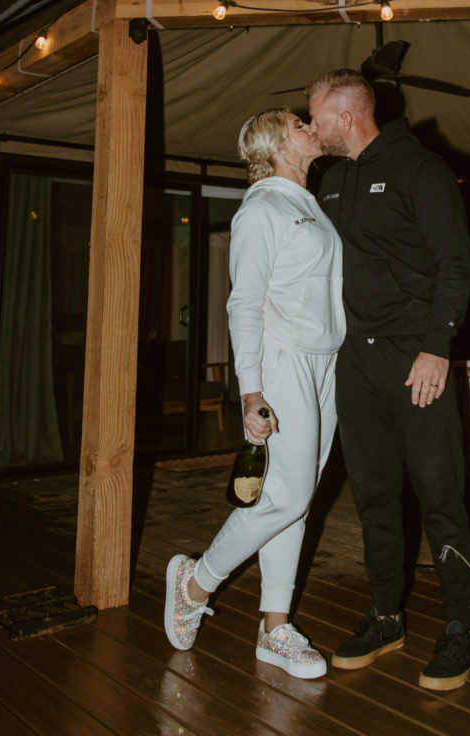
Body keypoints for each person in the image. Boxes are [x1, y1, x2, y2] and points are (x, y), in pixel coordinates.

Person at [306, 68, 470, 691]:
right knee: (375, 497)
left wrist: (438, 348)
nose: (311, 126)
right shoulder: (328, 181)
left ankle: (460, 625)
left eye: (316, 117)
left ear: (347, 117)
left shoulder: (419, 169)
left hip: (415, 359)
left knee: (440, 497)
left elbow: (456, 262)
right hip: (355, 363)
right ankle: (386, 617)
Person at [164, 108, 346, 679]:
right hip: (283, 361)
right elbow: (242, 305)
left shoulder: (309, 203)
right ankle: (194, 585)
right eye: (298, 123)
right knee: (286, 499)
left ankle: (275, 628)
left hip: (324, 365)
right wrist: (251, 392)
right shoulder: (263, 208)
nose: (310, 125)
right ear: (275, 145)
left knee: (296, 499)